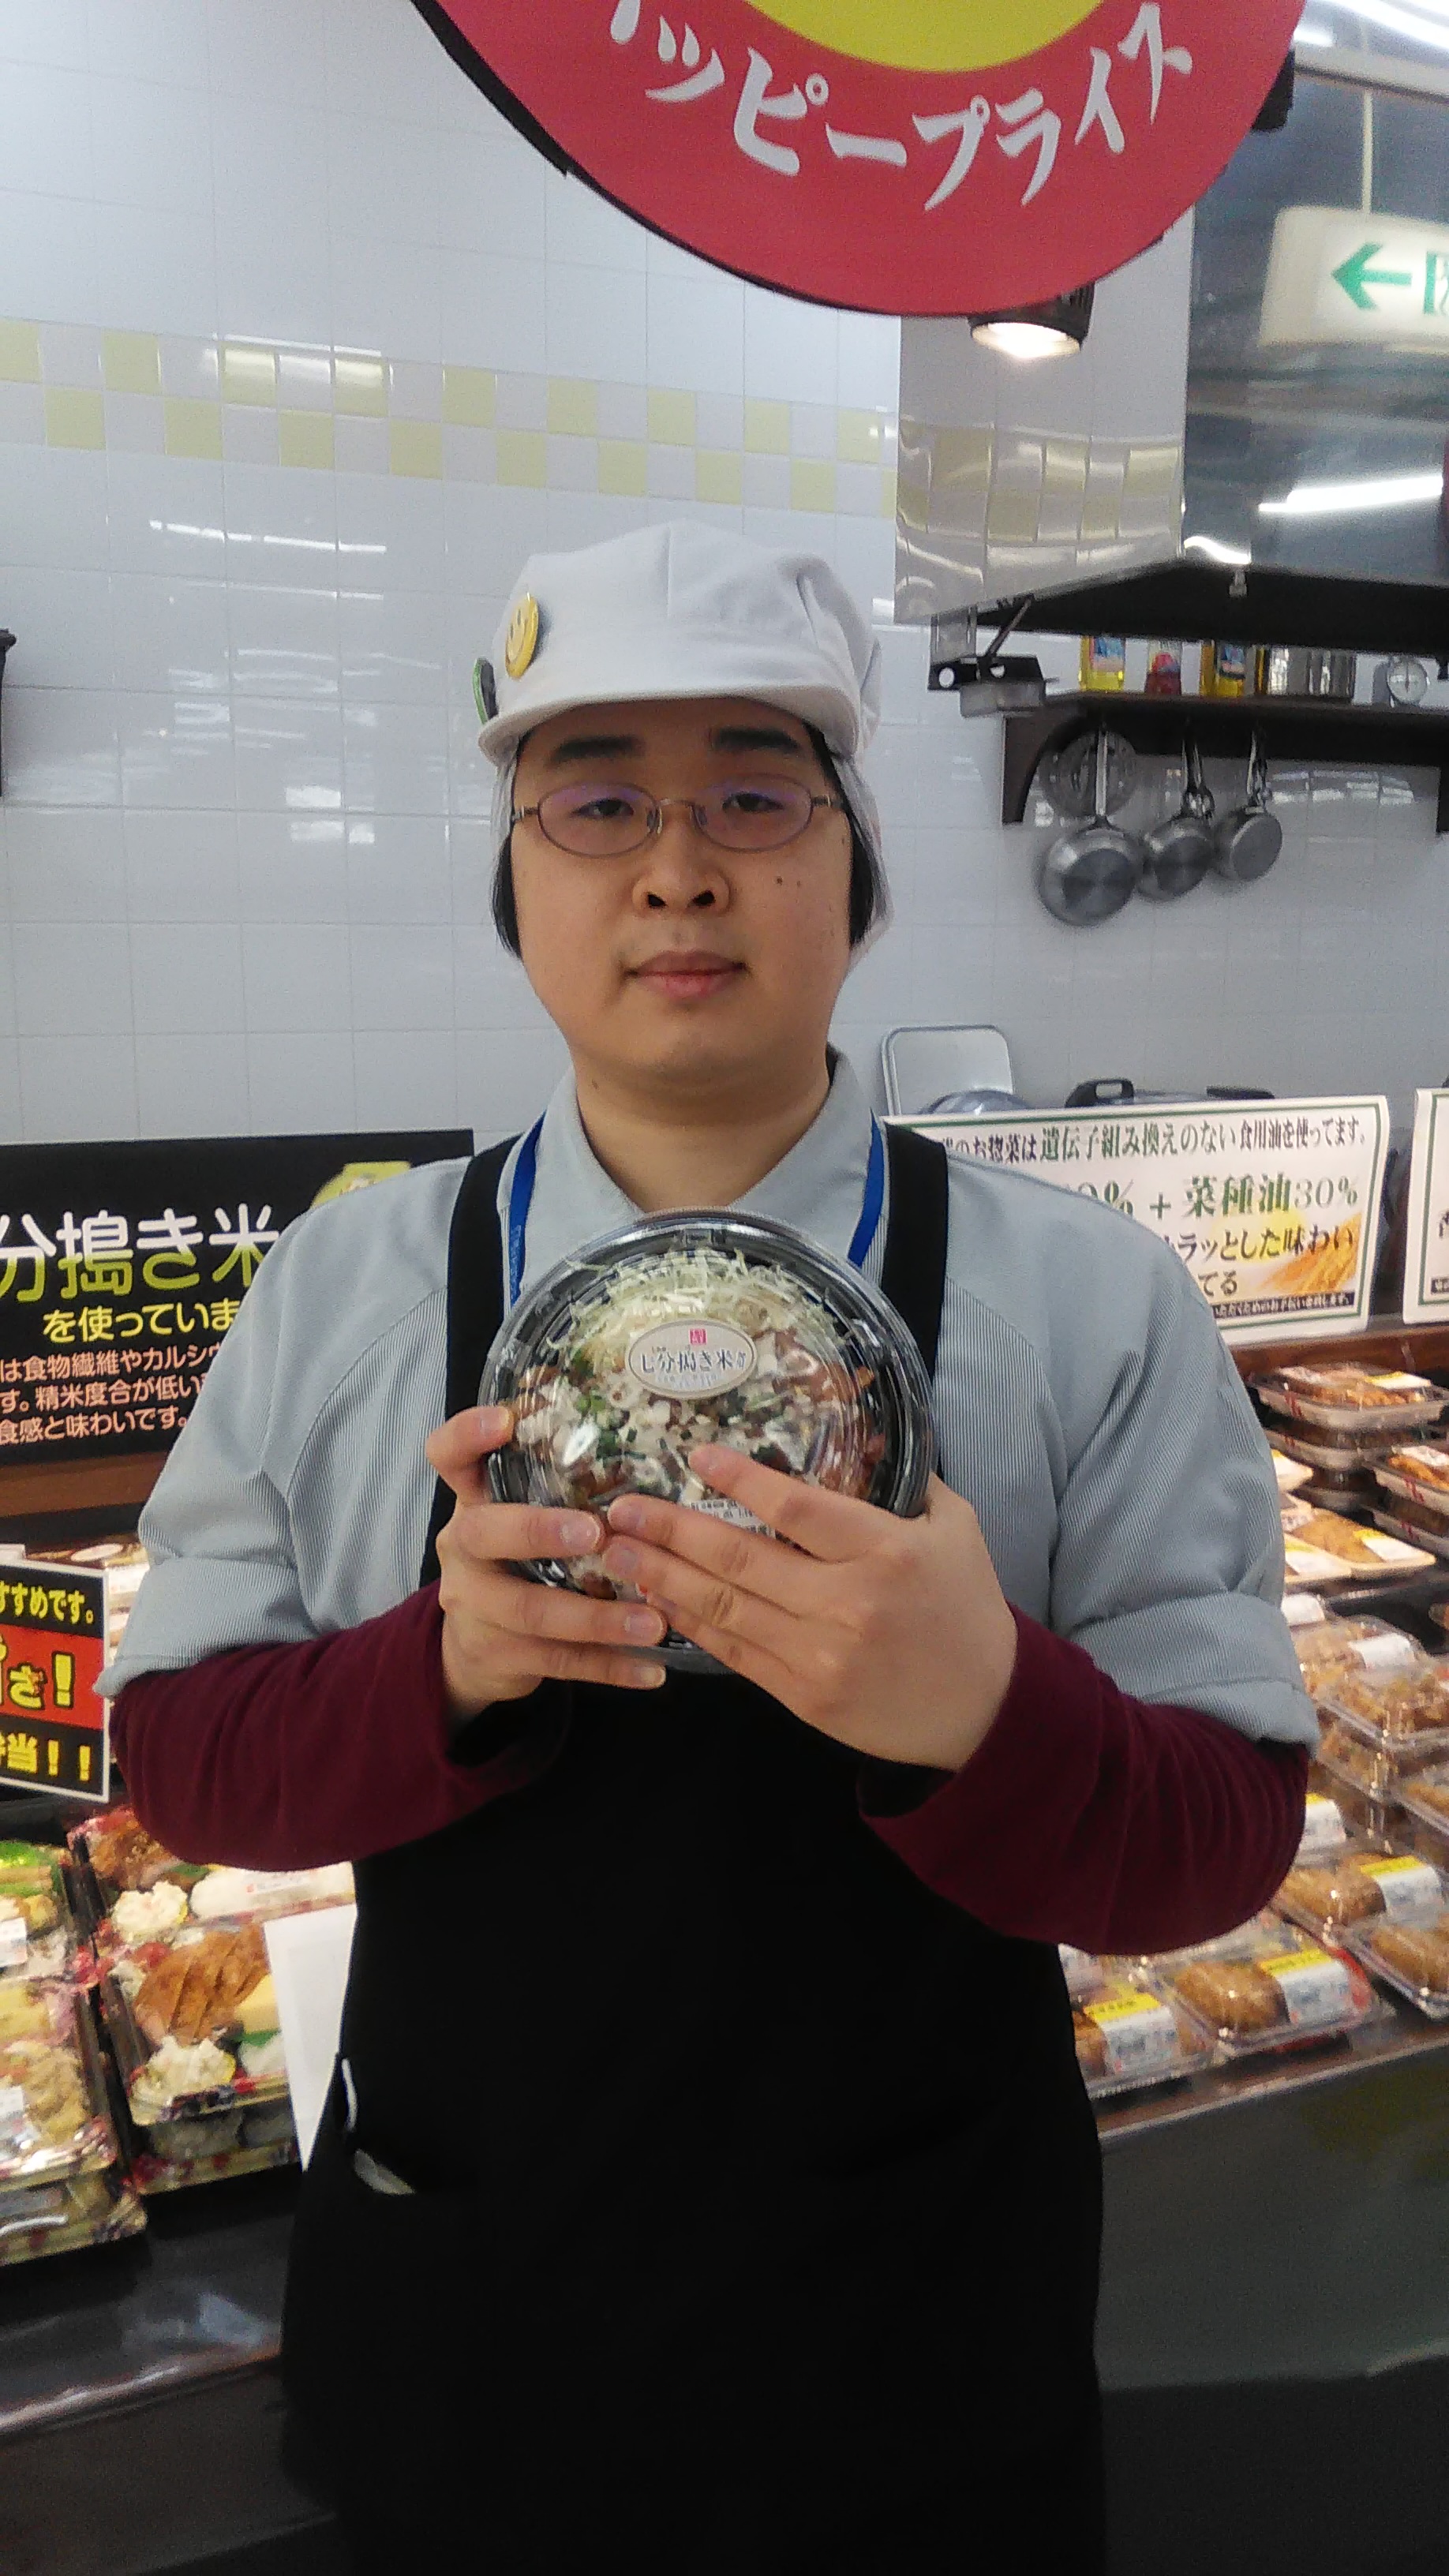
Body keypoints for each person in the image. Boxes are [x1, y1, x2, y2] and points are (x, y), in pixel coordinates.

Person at [105, 522, 1314, 2573]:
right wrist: (442, 1669)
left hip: (917, 2354)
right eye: (596, 804)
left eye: (755, 796)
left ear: (857, 870)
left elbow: (1217, 1843)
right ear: (514, 881)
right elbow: (187, 1761)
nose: (676, 871)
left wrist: (985, 1710)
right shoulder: (351, 1286)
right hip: (470, 2327)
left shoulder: (1085, 1294)